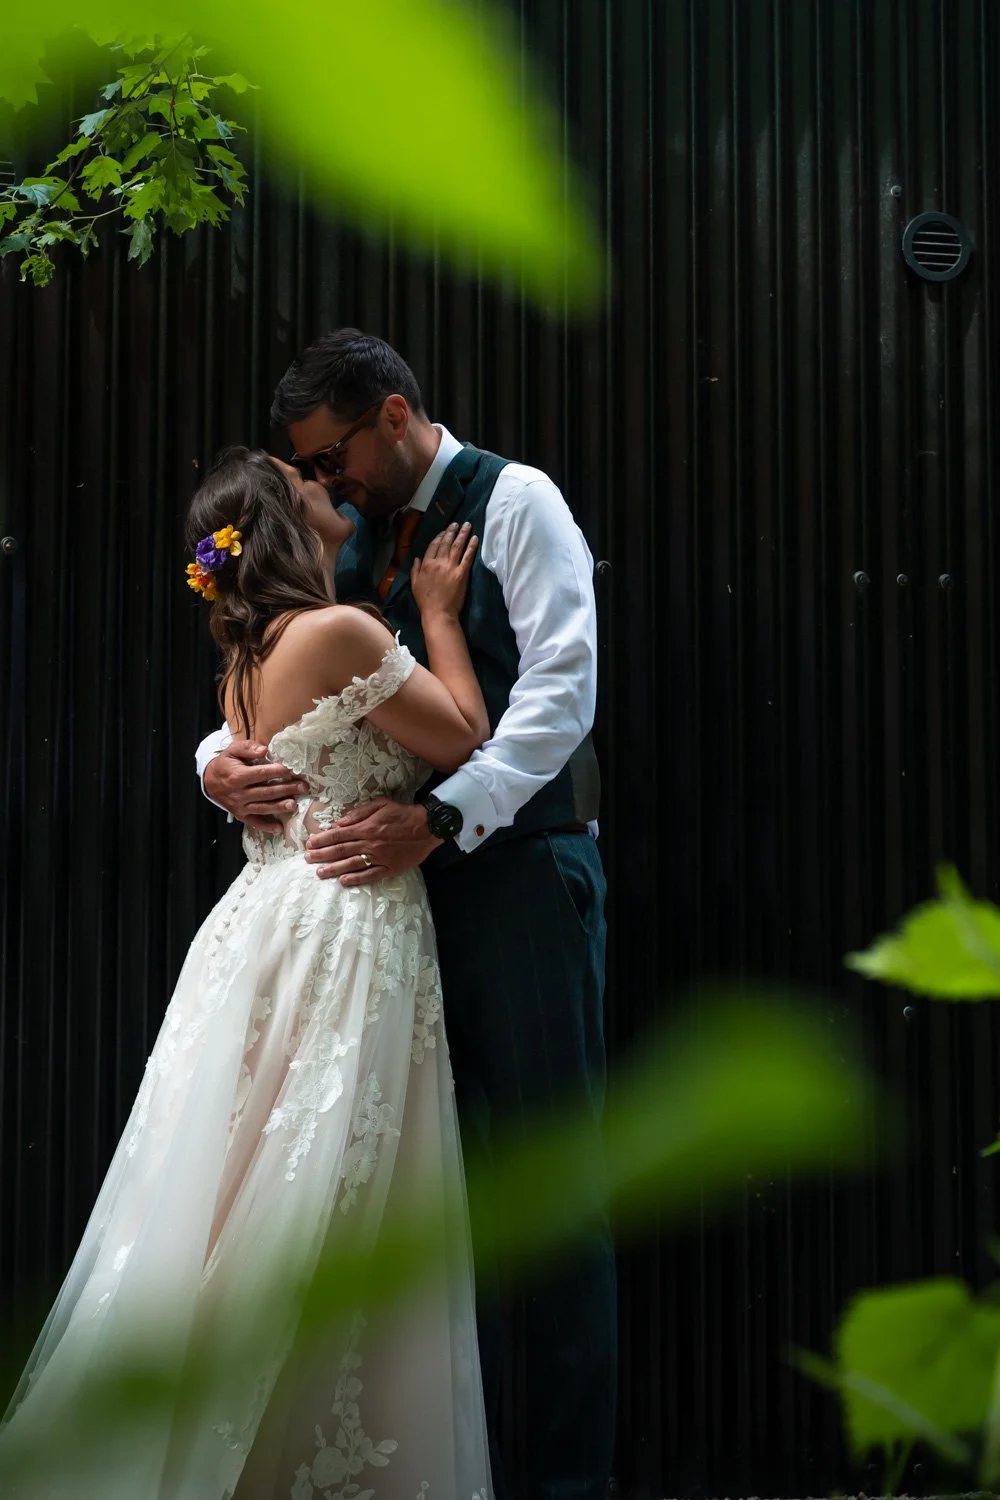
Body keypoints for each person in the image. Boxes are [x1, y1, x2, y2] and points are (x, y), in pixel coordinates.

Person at [0, 449, 493, 1500]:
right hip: (342, 920)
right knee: (320, 1188)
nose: (329, 483)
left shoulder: (245, 657)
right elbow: (462, 739)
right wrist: (442, 617)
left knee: (236, 1189)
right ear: (288, 518)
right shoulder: (342, 631)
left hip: (262, 925)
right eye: (306, 479)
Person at [199, 330, 617, 1500]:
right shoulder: (339, 545)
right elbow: (298, 681)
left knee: (553, 1191)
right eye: (310, 471)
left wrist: (442, 821)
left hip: (518, 878)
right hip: (384, 918)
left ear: (391, 415)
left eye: (332, 457)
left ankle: (564, 1484)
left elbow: (560, 692)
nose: (326, 485)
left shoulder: (517, 500)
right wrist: (215, 764)